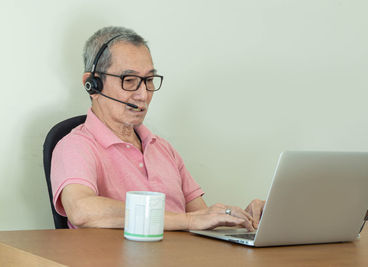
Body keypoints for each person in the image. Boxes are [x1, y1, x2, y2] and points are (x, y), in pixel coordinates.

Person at [51, 26, 265, 230]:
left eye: (149, 80)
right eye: (130, 80)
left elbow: (200, 217)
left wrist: (238, 220)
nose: (143, 95)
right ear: (93, 85)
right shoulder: (75, 146)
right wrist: (187, 222)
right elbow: (81, 210)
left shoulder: (162, 148)